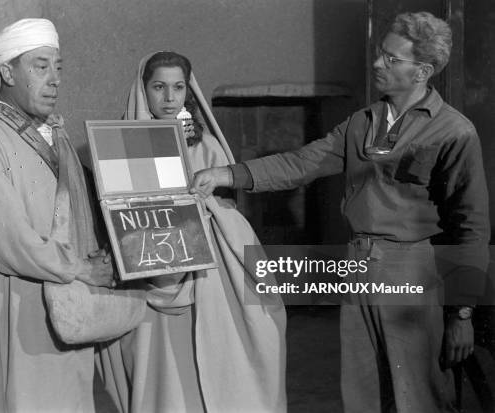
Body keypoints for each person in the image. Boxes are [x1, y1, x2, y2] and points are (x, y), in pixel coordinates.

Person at [191, 12, 490, 413]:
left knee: (417, 397)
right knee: (363, 396)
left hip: (415, 272)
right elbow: (302, 162)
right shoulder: (360, 124)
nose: (377, 64)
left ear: (422, 71)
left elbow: (470, 227)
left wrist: (463, 311)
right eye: (380, 54)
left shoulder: (454, 132)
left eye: (391, 59)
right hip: (358, 265)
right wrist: (227, 173)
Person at [0, 18, 113, 412]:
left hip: (62, 312)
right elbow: (8, 239)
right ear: (6, 72)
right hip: (8, 318)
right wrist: (80, 270)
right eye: (40, 65)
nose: (54, 79)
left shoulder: (52, 133)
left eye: (58, 67)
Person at [96, 51, 287, 413]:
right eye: (159, 87)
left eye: (178, 87)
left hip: (209, 275)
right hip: (149, 269)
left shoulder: (207, 144)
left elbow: (230, 206)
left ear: (189, 90)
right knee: (162, 379)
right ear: (143, 89)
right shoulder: (119, 142)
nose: (170, 98)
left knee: (214, 371)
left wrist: (204, 207)